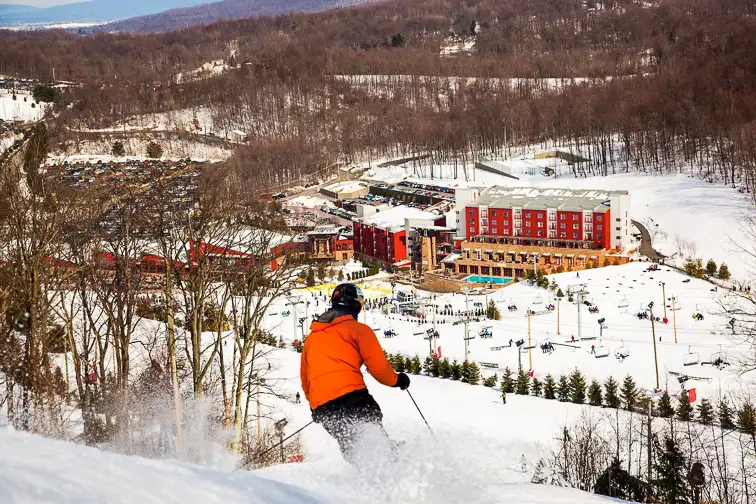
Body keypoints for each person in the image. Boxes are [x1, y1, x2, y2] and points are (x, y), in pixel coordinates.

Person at [300, 283, 409, 464]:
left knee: (350, 443)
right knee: (370, 424)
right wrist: (397, 380)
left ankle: (367, 476)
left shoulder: (312, 338)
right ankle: (390, 461)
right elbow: (379, 368)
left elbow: (305, 378)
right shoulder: (358, 330)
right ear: (357, 305)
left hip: (322, 406)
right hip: (351, 396)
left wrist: (315, 405)